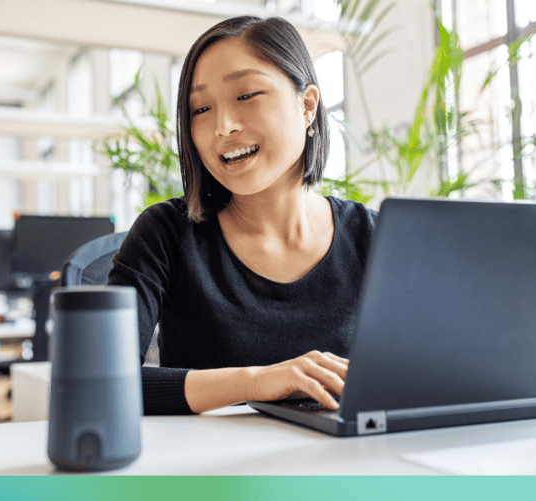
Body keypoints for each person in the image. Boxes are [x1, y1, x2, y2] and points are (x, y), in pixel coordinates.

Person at [107, 15, 377, 415]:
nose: (223, 126)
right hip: (212, 471)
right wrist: (258, 381)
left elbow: (437, 366)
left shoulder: (374, 236)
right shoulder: (164, 235)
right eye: (200, 108)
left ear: (307, 106)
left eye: (246, 95)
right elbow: (102, 381)